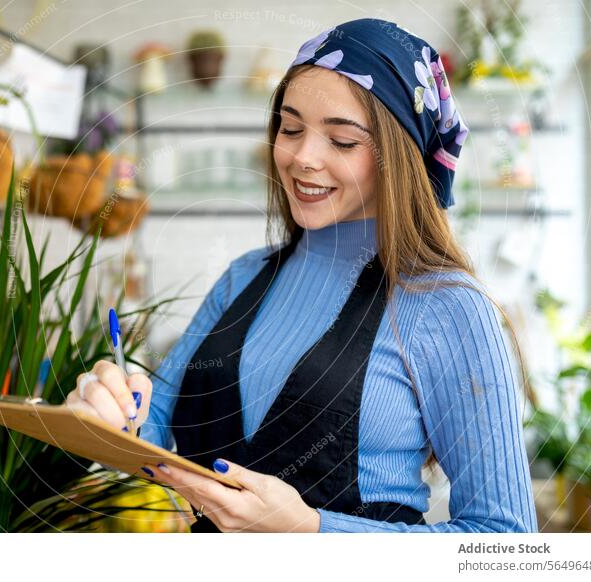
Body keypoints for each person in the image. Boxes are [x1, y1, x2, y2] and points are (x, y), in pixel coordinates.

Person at [65, 18, 537, 533]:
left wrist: (313, 532)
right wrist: (108, 413)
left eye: (341, 140)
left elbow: (505, 543)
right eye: (290, 129)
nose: (301, 157)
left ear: (397, 158)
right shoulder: (243, 277)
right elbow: (150, 431)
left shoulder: (447, 306)